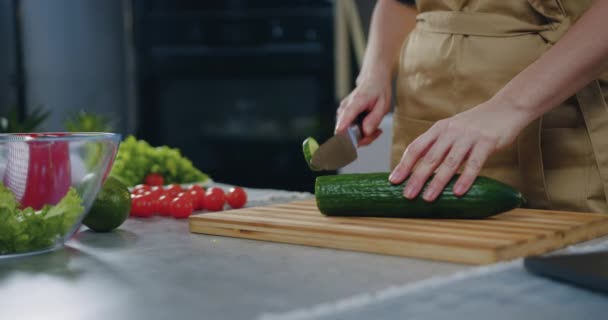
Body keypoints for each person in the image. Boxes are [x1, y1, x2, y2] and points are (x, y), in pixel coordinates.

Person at [336, 0, 608, 213]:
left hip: (554, 121)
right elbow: (401, 1)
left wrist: (509, 107)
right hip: (422, 118)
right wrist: (374, 73)